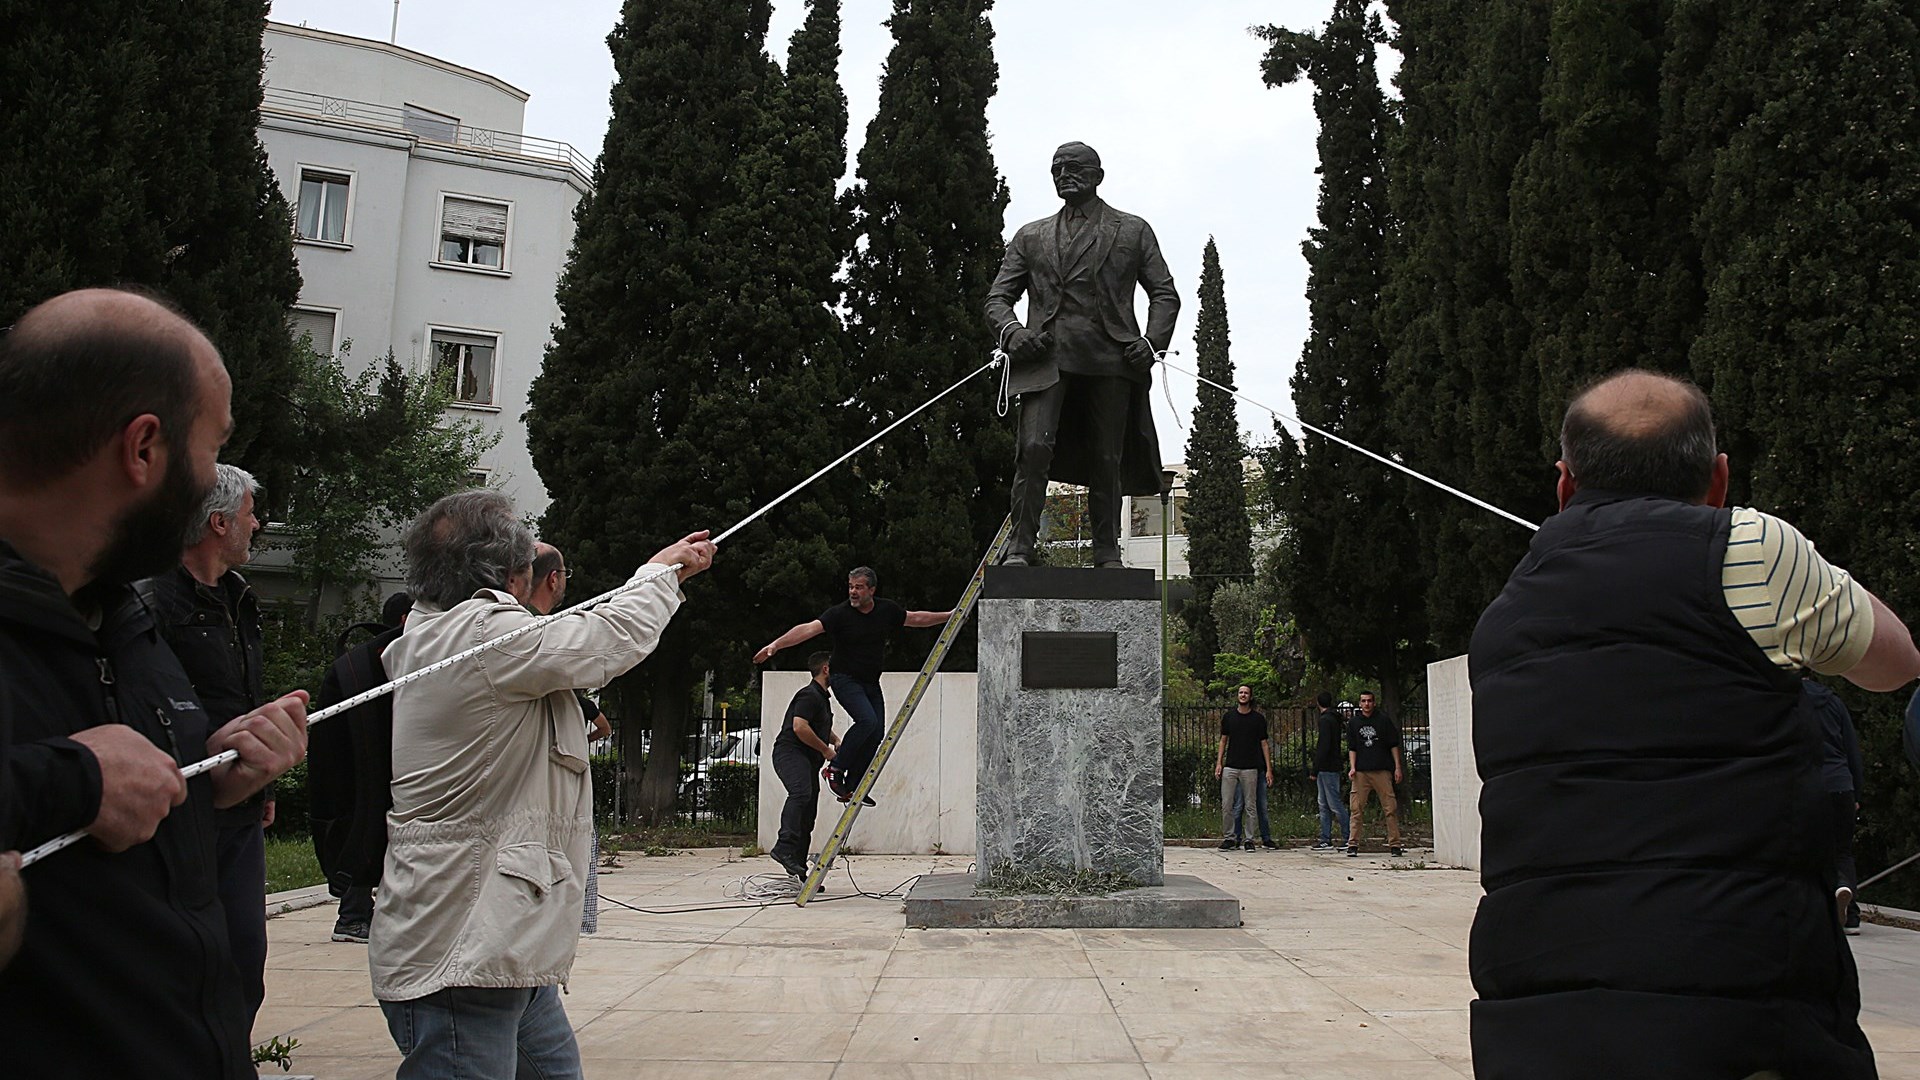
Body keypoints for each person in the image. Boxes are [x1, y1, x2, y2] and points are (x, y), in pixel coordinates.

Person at [1469, 369, 1920, 1078]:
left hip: (1536, 1017)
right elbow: (1896, 662)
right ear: (1718, 478)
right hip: (1742, 1015)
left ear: (1564, 484)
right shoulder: (1754, 550)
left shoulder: (1504, 616)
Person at [0, 288, 309, 1078]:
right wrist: (70, 780)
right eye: (210, 450)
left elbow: (128, 818)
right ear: (143, 449)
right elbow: (82, 786)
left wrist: (216, 779)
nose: (213, 484)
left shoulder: (123, 619)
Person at [370, 491, 713, 1078]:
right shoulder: (479, 635)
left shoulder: (452, 635)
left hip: (504, 942)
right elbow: (605, 641)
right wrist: (660, 573)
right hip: (464, 949)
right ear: (511, 574)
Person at [985, 141, 1180, 568]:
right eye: (1056, 169)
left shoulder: (1132, 230)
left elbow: (1164, 294)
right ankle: (1020, 548)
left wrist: (1150, 342)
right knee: (1033, 448)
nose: (1064, 175)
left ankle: (1107, 551)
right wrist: (1012, 332)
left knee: (1106, 456)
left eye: (1074, 168)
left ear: (1097, 176)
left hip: (1110, 358)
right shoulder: (1030, 235)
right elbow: (997, 299)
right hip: (1045, 358)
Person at [135, 462, 273, 1032]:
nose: (258, 523)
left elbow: (244, 694)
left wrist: (261, 785)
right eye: (248, 514)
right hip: (182, 809)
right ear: (218, 523)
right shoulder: (151, 602)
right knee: (180, 961)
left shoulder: (240, 598)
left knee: (244, 958)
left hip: (241, 811)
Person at [753, 567, 950, 804]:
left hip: (870, 682)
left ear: (871, 590)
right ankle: (835, 768)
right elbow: (808, 628)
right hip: (844, 679)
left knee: (876, 732)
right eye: (850, 587)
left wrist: (948, 616)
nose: (853, 592)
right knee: (867, 720)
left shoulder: (886, 610)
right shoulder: (840, 614)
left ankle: (854, 784)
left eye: (858, 587)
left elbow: (916, 618)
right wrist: (776, 645)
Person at [525, 541, 610, 934]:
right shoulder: (542, 644)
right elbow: (614, 642)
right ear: (553, 579)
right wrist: (662, 576)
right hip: (538, 819)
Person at [769, 651, 839, 881]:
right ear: (826, 669)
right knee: (800, 793)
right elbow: (800, 727)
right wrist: (825, 750)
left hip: (807, 758)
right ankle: (783, 847)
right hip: (790, 753)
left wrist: (835, 740)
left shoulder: (821, 698)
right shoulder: (809, 695)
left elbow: (816, 726)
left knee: (808, 813)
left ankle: (798, 869)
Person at [1807, 678, 1865, 935]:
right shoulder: (1833, 701)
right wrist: (1856, 793)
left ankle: (1819, 908)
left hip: (1808, 784)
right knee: (1842, 851)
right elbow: (1852, 749)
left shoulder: (1788, 700)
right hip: (1841, 783)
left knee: (1810, 848)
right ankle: (1850, 914)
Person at [1344, 691, 1402, 858]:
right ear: (1360, 703)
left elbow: (1393, 745)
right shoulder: (1354, 723)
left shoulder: (1383, 720)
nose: (1367, 704)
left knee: (1390, 808)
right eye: (1363, 701)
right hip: (1361, 772)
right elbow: (1352, 748)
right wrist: (1353, 767)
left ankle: (1395, 844)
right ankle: (1353, 843)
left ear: (1374, 703)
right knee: (1356, 808)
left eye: (1369, 701)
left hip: (1381, 770)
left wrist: (1397, 767)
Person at [1214, 685, 1272, 850]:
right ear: (1237, 696)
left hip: (1250, 767)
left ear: (1250, 696)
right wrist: (1219, 763)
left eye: (1246, 693)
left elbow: (1264, 744)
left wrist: (1268, 769)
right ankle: (1229, 837)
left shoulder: (1258, 719)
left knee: (1250, 804)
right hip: (1231, 766)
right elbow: (1223, 740)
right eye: (1240, 692)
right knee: (1227, 804)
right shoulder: (1229, 717)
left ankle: (1249, 839)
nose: (1243, 695)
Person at [1309, 691, 1350, 851]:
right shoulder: (1334, 719)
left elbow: (1323, 746)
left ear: (1318, 703)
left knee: (1333, 803)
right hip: (1331, 765)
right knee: (1324, 803)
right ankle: (1326, 838)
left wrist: (1315, 768)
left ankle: (1347, 836)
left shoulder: (1325, 720)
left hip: (1327, 767)